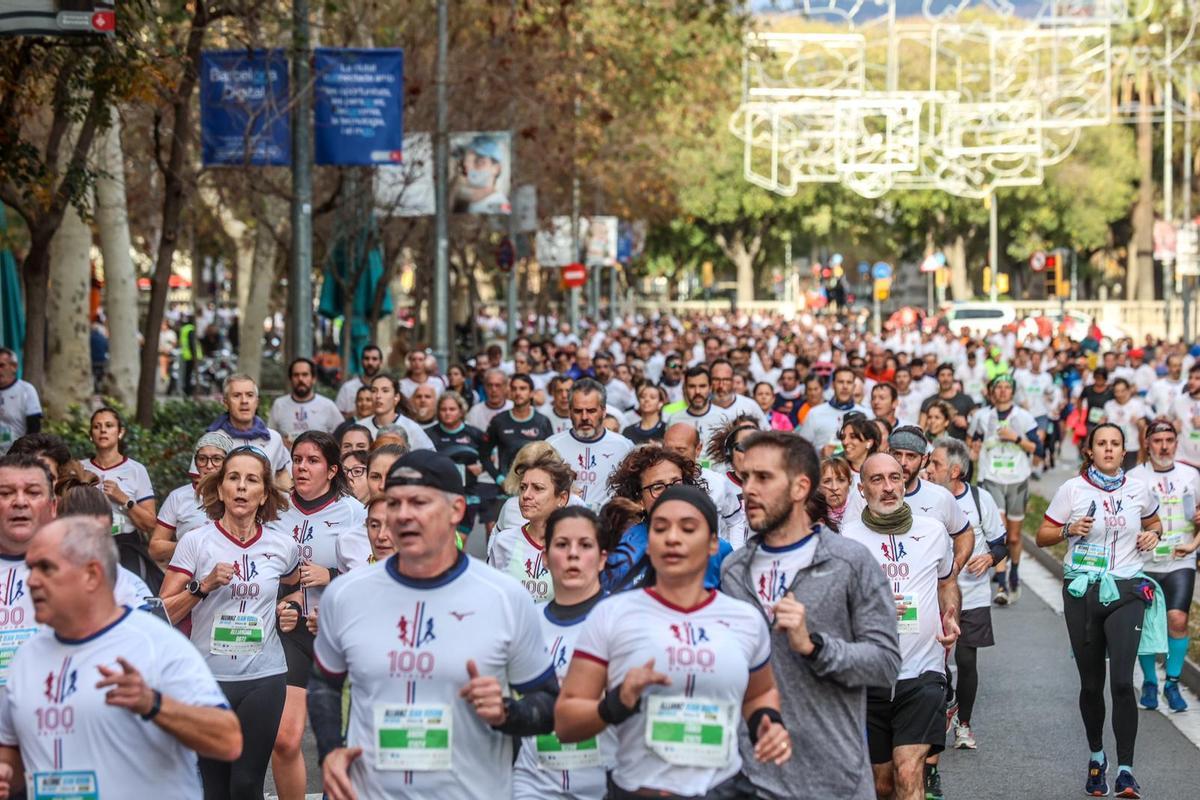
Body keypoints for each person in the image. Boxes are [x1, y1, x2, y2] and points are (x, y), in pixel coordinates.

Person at [307, 450, 559, 799]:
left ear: (456, 510)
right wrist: (330, 750)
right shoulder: (346, 595)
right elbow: (324, 684)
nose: (404, 515)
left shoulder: (503, 597)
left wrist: (507, 712)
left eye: (419, 502)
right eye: (394, 504)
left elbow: (548, 702)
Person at [555, 484, 791, 799]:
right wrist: (618, 701)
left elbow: (760, 694)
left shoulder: (744, 619)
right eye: (660, 528)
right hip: (637, 790)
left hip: (723, 789)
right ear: (648, 544)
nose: (673, 538)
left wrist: (767, 721)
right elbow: (567, 723)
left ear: (712, 545)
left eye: (688, 528)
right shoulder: (611, 614)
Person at [0, 517, 242, 799]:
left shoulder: (154, 644)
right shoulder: (26, 658)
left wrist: (153, 704)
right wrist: (7, 772)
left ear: (91, 575)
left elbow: (228, 739)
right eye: (30, 569)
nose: (31, 581)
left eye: (46, 569)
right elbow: (14, 753)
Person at [719, 432, 900, 800]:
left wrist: (814, 646)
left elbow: (885, 664)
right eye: (746, 477)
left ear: (801, 486)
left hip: (832, 779)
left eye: (763, 478)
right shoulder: (734, 570)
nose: (748, 489)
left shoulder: (850, 562)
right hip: (751, 779)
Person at [160, 446, 300, 799]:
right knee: (215, 788)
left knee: (247, 783)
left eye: (251, 480)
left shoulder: (282, 546)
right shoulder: (196, 542)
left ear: (264, 493)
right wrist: (201, 586)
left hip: (264, 678)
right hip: (206, 680)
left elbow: (300, 587)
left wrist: (291, 606)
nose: (241, 487)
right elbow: (161, 612)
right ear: (220, 488)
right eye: (233, 478)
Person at [1036, 423, 1163, 800]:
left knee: (1122, 682)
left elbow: (1155, 522)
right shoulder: (1072, 490)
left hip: (1126, 589)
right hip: (1083, 590)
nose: (1108, 449)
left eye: (1115, 444)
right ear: (1089, 451)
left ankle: (1126, 771)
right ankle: (1096, 758)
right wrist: (1068, 530)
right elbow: (1043, 535)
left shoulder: (1140, 488)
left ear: (1124, 451)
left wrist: (1153, 534)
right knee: (1091, 684)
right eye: (1101, 444)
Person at [841, 453, 961, 800]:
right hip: (869, 679)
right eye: (877, 480)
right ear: (862, 489)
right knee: (882, 784)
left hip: (923, 671)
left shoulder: (934, 531)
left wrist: (951, 613)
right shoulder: (846, 539)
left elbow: (946, 583)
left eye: (895, 478)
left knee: (909, 770)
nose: (889, 487)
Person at [270, 432, 370, 800]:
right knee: (284, 739)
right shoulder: (275, 508)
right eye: (297, 459)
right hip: (292, 630)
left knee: (350, 742)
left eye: (312, 461)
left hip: (340, 635)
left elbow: (376, 573)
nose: (301, 467)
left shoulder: (354, 512)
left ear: (331, 470)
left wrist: (332, 575)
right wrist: (286, 592)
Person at [512, 507, 613, 800]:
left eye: (585, 545)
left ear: (602, 558)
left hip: (603, 784)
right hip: (533, 784)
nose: (572, 554)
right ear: (544, 557)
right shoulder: (525, 623)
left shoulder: (623, 621)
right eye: (561, 544)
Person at [926, 437, 1007, 752]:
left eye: (936, 464)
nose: (929, 469)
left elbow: (999, 542)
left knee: (967, 659)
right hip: (934, 593)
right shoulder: (925, 497)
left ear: (955, 470)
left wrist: (989, 558)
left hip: (973, 593)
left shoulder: (980, 498)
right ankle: (947, 702)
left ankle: (965, 724)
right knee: (935, 657)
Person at [1130, 419, 1200, 713]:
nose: (1164, 446)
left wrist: (1194, 543)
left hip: (1180, 559)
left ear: (1176, 441)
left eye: (1169, 440)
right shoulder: (1134, 478)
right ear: (1147, 443)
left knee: (1177, 620)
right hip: (1144, 563)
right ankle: (1149, 680)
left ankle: (1171, 682)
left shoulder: (1191, 475)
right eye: (1158, 441)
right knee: (1146, 625)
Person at [600, 444, 733, 595]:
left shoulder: (719, 550)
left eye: (676, 482)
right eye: (657, 487)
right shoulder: (622, 553)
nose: (671, 492)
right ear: (639, 500)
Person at [969, 375, 1040, 605]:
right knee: (999, 533)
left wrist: (1015, 437)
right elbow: (973, 441)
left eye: (1007, 387)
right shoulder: (982, 416)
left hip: (1017, 479)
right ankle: (1001, 585)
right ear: (991, 391)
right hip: (992, 478)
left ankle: (1015, 572)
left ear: (1013, 392)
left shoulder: (1024, 417)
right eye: (998, 387)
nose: (1002, 391)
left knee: (1015, 535)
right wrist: (974, 449)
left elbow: (1036, 448)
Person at [81, 408, 159, 581]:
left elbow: (150, 523)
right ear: (90, 434)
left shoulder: (136, 470)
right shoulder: (79, 469)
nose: (103, 430)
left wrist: (123, 498)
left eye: (109, 425)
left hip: (125, 544)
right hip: (86, 542)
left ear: (120, 432)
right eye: (97, 426)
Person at [487, 449, 573, 603]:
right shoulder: (503, 541)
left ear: (562, 498)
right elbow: (493, 598)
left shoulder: (576, 546)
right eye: (523, 487)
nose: (526, 495)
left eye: (538, 488)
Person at [546, 379, 633, 512]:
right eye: (578, 411)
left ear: (603, 411)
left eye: (591, 410)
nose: (585, 417)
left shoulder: (625, 447)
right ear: (569, 412)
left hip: (606, 528)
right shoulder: (551, 446)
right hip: (562, 525)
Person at [150, 431, 235, 566]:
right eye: (202, 459)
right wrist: (187, 544)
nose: (209, 465)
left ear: (229, 462)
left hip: (232, 576)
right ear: (195, 462)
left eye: (217, 459)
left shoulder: (239, 496)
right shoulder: (178, 497)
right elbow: (155, 549)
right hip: (186, 578)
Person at [208, 375, 292, 487]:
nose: (244, 401)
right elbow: (202, 484)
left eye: (250, 395)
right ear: (225, 402)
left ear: (256, 402)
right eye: (237, 395)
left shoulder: (274, 438)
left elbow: (282, 474)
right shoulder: (212, 441)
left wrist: (285, 502)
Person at [481, 374, 553, 484]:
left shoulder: (542, 421)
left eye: (523, 388)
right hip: (506, 489)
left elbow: (550, 458)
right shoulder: (499, 421)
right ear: (510, 392)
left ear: (532, 393)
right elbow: (484, 455)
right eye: (514, 388)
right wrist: (499, 479)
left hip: (536, 487)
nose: (518, 393)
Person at [268, 358, 344, 446]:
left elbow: (343, 434)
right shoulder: (279, 405)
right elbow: (270, 437)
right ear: (290, 379)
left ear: (313, 378)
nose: (300, 379)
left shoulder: (327, 405)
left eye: (305, 374)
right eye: (296, 375)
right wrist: (280, 443)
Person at [799, 367, 870, 456]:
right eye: (841, 382)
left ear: (854, 386)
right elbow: (801, 448)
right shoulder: (815, 413)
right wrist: (820, 452)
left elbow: (872, 446)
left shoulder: (867, 414)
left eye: (849, 382)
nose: (845, 386)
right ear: (833, 385)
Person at [358, 374, 435, 450]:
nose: (378, 396)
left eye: (385, 391)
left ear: (396, 397)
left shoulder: (411, 428)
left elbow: (431, 458)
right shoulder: (360, 427)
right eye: (374, 391)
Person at [1103, 378, 1149, 471]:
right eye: (1117, 391)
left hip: (1131, 447)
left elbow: (1143, 427)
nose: (1120, 394)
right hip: (1113, 447)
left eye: (1122, 391)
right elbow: (1103, 424)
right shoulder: (1108, 405)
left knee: (1130, 475)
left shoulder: (1137, 404)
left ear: (1128, 390)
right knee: (1113, 474)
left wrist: (1138, 422)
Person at [918, 364, 975, 441]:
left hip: (960, 448)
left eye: (949, 375)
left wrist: (967, 424)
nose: (946, 379)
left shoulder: (966, 399)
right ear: (937, 378)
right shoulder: (928, 401)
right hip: (933, 448)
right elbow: (921, 430)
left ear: (953, 378)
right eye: (942, 375)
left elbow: (977, 426)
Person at [0, 348, 41, 456]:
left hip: (17, 456)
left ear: (14, 367)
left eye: (1, 365)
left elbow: (34, 427)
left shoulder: (26, 390)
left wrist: (25, 452)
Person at [334, 344, 384, 418]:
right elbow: (337, 417)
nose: (370, 362)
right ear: (361, 361)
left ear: (381, 362)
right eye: (367, 358)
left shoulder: (386, 389)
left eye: (374, 359)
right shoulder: (347, 388)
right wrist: (355, 414)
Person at [1168, 362, 1200, 470]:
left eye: (1197, 378)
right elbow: (1167, 422)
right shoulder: (1178, 401)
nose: (1191, 381)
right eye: (1190, 377)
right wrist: (1172, 427)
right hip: (1182, 460)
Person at [820, 456, 853, 529]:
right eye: (827, 481)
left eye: (841, 480)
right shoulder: (812, 517)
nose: (834, 488)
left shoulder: (861, 509)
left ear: (850, 482)